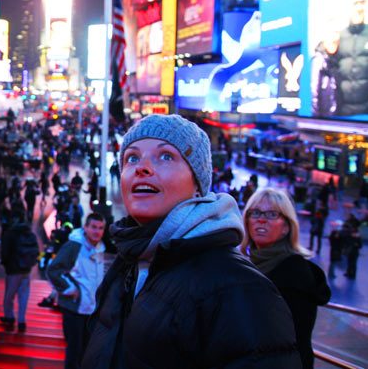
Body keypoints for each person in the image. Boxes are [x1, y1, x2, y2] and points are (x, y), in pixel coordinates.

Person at [82, 114, 301, 368]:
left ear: (198, 185)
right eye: (132, 157)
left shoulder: (240, 289)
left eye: (166, 156)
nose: (141, 167)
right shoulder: (128, 262)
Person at [241, 187, 331, 369]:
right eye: (255, 212)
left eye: (272, 214)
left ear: (286, 227)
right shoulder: (251, 265)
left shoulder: (294, 273)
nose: (261, 219)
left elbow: (291, 342)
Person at [47, 214, 106, 369]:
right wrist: (70, 289)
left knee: (87, 350)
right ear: (85, 227)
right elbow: (53, 270)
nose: (97, 231)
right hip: (74, 308)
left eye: (100, 228)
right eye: (93, 227)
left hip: (91, 309)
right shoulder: (74, 246)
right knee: (75, 352)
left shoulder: (100, 248)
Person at [0, 211, 38, 332]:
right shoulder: (29, 234)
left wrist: (5, 265)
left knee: (9, 296)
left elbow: (5, 253)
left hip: (13, 270)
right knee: (24, 296)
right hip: (26, 269)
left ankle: (9, 317)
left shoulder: (10, 233)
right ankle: (21, 320)